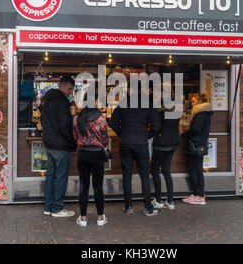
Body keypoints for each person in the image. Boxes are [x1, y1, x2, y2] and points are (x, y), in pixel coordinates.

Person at [110, 86, 161, 216]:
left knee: (127, 175)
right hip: (141, 143)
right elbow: (156, 126)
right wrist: (147, 135)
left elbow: (113, 122)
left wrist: (123, 134)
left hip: (126, 142)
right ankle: (148, 207)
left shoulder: (122, 104)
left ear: (129, 91)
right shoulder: (148, 105)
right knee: (144, 175)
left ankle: (128, 206)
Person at [41, 77, 77, 218]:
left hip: (49, 143)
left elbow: (44, 121)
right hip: (61, 144)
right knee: (61, 177)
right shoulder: (62, 102)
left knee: (50, 176)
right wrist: (72, 141)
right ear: (62, 86)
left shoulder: (47, 101)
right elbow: (65, 125)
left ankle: (48, 207)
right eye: (69, 89)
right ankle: (57, 209)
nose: (70, 93)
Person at [73, 95, 109, 226]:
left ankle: (83, 218)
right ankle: (100, 217)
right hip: (97, 154)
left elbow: (75, 136)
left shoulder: (77, 118)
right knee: (98, 186)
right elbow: (105, 139)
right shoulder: (100, 119)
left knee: (84, 186)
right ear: (94, 102)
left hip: (83, 154)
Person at [181, 93, 213, 205]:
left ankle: (197, 195)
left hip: (195, 145)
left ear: (200, 102)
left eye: (194, 102)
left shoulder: (200, 115)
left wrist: (184, 134)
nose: (192, 104)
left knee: (194, 170)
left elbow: (195, 130)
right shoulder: (205, 114)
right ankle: (199, 195)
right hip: (200, 145)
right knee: (198, 170)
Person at [150, 101, 181, 210]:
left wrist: (149, 135)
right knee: (166, 170)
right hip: (172, 145)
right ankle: (170, 201)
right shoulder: (176, 114)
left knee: (154, 170)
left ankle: (158, 200)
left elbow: (155, 128)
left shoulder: (159, 114)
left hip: (161, 144)